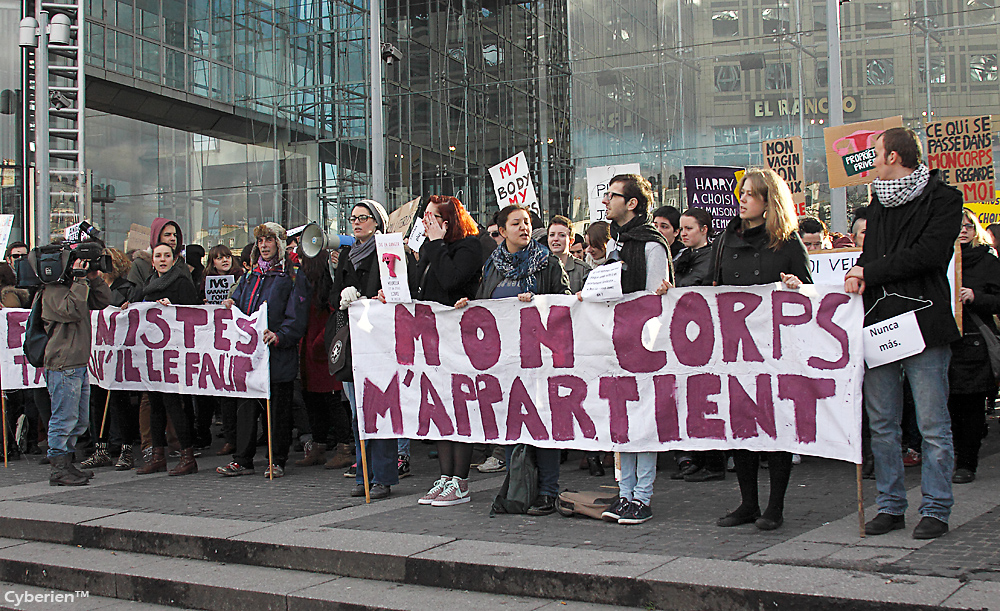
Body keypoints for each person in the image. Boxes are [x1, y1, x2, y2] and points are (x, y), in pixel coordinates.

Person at [845, 127, 962, 540]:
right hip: (881, 324)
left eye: (875, 152)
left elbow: (929, 255)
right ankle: (891, 505)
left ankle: (936, 507)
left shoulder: (944, 198)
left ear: (894, 156)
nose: (871, 159)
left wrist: (870, 271)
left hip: (924, 324)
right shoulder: (877, 200)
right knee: (882, 423)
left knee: (932, 424)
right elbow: (872, 253)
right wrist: (858, 272)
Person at [708, 167, 810, 531]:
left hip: (775, 350)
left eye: (751, 193)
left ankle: (775, 507)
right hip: (735, 349)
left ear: (769, 202)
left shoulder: (787, 242)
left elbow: (810, 296)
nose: (743, 199)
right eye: (742, 192)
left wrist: (796, 285)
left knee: (775, 425)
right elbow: (707, 287)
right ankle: (748, 503)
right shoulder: (724, 240)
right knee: (741, 426)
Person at [460, 204, 571, 515]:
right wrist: (467, 307)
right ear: (502, 230)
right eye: (516, 223)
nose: (524, 227)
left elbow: (565, 303)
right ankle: (517, 487)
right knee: (511, 425)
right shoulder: (492, 265)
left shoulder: (546, 262)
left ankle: (548, 491)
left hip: (540, 360)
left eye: (527, 222)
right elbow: (484, 305)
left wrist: (539, 302)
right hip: (505, 362)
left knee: (542, 425)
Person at [591, 174, 671, 526]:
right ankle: (624, 494)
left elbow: (654, 302)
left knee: (643, 421)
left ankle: (642, 497)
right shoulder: (617, 245)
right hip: (616, 343)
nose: (606, 201)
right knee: (622, 421)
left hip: (642, 346)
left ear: (632, 203)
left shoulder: (651, 246)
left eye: (613, 196)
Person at [401, 195, 483, 507]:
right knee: (439, 409)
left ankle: (460, 481)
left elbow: (451, 279)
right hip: (431, 341)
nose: (425, 222)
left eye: (431, 218)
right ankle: (446, 476)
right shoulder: (429, 249)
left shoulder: (469, 247)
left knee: (458, 409)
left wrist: (435, 244)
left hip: (459, 342)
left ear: (446, 223)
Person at [218, 222, 311, 479]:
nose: (264, 246)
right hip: (252, 356)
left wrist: (281, 336)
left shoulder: (292, 275)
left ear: (279, 244)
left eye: (269, 241)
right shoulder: (251, 275)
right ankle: (243, 459)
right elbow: (242, 304)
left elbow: (297, 314)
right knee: (246, 408)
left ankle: (276, 459)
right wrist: (231, 303)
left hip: (278, 353)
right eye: (260, 241)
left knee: (278, 410)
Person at [328, 200, 399, 499]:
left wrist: (372, 297)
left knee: (379, 410)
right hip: (353, 341)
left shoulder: (388, 251)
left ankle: (382, 476)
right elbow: (332, 297)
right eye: (352, 218)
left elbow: (397, 291)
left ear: (376, 222)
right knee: (358, 412)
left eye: (363, 218)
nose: (356, 223)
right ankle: (363, 474)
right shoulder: (346, 255)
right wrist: (344, 296)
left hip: (380, 342)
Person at [42, 242, 113, 485]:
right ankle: (58, 468)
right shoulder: (52, 290)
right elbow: (71, 310)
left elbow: (104, 301)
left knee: (79, 420)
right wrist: (80, 281)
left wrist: (93, 278)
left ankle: (67, 463)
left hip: (78, 363)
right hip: (63, 363)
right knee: (63, 418)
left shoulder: (77, 287)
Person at [132, 243, 201, 476]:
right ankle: (157, 456)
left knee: (173, 404)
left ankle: (187, 456)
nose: (162, 259)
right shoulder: (149, 285)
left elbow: (194, 314)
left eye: (167, 256)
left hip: (174, 353)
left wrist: (173, 310)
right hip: (153, 354)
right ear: (152, 261)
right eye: (158, 256)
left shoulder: (182, 283)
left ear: (174, 259)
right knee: (155, 405)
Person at [670, 207, 726, 482]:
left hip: (706, 334)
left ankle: (714, 462)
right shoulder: (683, 255)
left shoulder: (712, 256)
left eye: (688, 228)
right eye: (681, 229)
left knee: (708, 397)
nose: (683, 234)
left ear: (704, 229)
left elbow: (692, 284)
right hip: (688, 334)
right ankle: (699, 457)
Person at [948, 209, 1000, 485]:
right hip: (945, 341)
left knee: (970, 407)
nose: (963, 230)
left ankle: (967, 462)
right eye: (958, 226)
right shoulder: (940, 258)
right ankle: (954, 456)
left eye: (969, 226)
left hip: (974, 343)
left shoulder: (987, 261)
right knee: (949, 406)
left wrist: (976, 296)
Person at [295, 246, 353, 470]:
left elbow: (333, 313)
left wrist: (319, 343)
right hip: (310, 348)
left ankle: (343, 447)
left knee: (332, 401)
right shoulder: (305, 281)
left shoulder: (326, 281)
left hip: (323, 348)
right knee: (313, 399)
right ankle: (318, 446)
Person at [80, 248, 139, 471]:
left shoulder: (128, 289)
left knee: (119, 402)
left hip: (118, 355)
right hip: (96, 355)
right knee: (96, 399)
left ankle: (126, 449)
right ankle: (100, 448)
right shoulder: (87, 288)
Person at [547, 216, 591, 293]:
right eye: (552, 235)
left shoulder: (583, 270)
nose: (555, 239)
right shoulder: (540, 267)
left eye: (562, 235)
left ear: (571, 240)